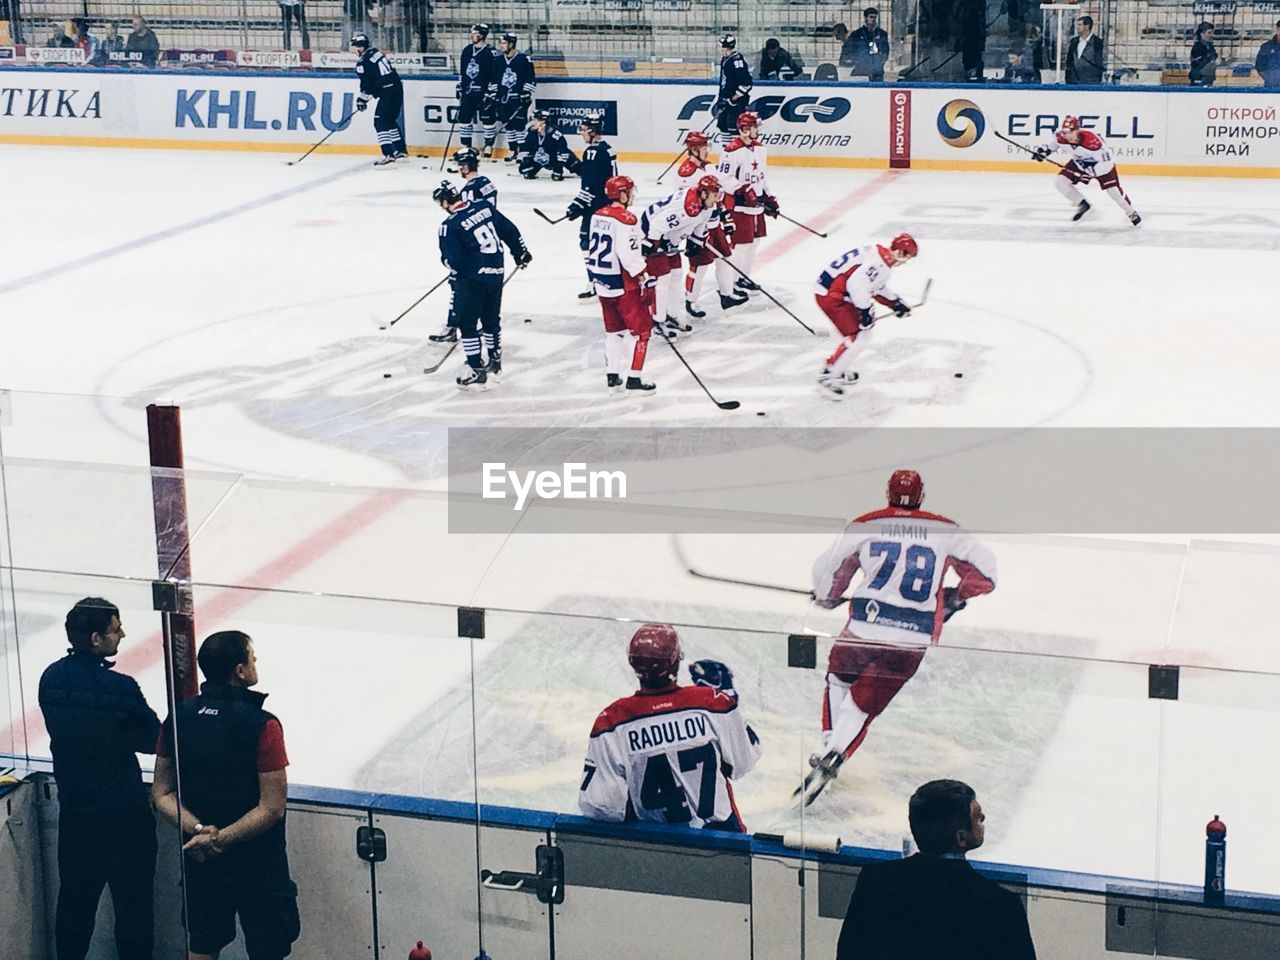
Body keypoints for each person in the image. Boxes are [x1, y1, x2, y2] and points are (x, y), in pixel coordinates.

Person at [804, 470, 998, 802]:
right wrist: (955, 596)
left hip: (865, 626)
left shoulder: (867, 523)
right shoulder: (946, 530)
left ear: (887, 494)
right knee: (865, 701)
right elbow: (987, 572)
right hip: (912, 638)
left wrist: (827, 595)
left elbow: (829, 566)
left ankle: (829, 746)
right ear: (922, 496)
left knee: (839, 679)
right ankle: (836, 750)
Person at [152, 631, 300, 960]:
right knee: (268, 947)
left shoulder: (178, 718)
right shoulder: (264, 726)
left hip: (201, 857)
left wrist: (200, 832)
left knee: (203, 943)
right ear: (240, 671)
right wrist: (221, 838)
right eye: (252, 657)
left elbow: (161, 792)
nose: (255, 661)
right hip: (258, 863)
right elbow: (272, 807)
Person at [38, 598, 160, 960]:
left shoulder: (51, 677)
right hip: (124, 817)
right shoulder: (119, 687)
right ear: (95, 639)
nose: (122, 633)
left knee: (75, 905)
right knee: (133, 909)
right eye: (115, 628)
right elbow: (152, 739)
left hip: (77, 816)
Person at [578, 624, 762, 829]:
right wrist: (730, 699)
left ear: (632, 664)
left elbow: (601, 806)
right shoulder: (713, 703)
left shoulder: (612, 721)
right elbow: (742, 763)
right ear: (676, 663)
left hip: (657, 847)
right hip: (721, 840)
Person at [837, 780, 1037, 960]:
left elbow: (848, 954)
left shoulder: (874, 881)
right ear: (961, 838)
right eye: (977, 817)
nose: (983, 818)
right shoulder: (1001, 906)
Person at [434, 180, 531, 388]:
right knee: (490, 320)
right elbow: (509, 230)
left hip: (472, 280)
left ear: (444, 202)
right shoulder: (484, 207)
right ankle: (495, 363)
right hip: (496, 273)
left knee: (467, 324)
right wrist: (520, 252)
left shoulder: (448, 226)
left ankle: (476, 368)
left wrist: (452, 269)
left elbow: (454, 261)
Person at [812, 234, 917, 399]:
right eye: (903, 254)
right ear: (896, 249)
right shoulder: (879, 263)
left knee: (860, 334)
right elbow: (856, 284)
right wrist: (864, 310)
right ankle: (828, 376)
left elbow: (873, 287)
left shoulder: (878, 255)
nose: (903, 260)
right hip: (832, 296)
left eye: (907, 257)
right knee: (859, 336)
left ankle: (840, 367)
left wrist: (895, 302)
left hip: (832, 292)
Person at [584, 175, 657, 393]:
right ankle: (634, 379)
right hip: (624, 283)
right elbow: (629, 256)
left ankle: (613, 377)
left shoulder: (597, 215)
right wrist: (644, 276)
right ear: (622, 194)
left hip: (602, 281)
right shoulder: (627, 219)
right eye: (630, 191)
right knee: (642, 333)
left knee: (614, 332)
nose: (633, 195)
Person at [641, 174, 721, 335]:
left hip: (669, 237)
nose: (716, 199)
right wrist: (652, 243)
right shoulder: (686, 208)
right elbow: (657, 224)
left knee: (676, 275)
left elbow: (700, 226)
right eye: (714, 195)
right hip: (652, 233)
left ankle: (671, 316)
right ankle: (657, 321)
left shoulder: (707, 206)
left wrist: (695, 243)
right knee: (662, 279)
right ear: (704, 194)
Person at [715, 111, 778, 309]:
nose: (757, 130)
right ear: (743, 129)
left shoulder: (760, 149)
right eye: (754, 127)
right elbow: (723, 178)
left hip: (756, 204)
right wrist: (742, 189)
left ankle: (742, 277)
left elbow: (761, 176)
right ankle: (731, 282)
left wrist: (768, 196)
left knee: (754, 242)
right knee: (741, 245)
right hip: (739, 205)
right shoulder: (731, 150)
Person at [1032, 115, 1141, 225]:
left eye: (1070, 132)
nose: (1067, 135)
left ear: (1077, 130)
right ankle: (1083, 204)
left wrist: (1090, 174)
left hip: (1102, 166)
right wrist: (1045, 152)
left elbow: (1106, 164)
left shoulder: (1093, 142)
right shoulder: (1060, 136)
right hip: (1079, 162)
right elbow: (1054, 144)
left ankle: (1131, 212)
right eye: (1065, 132)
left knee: (1114, 192)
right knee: (1060, 182)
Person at [676, 130, 735, 321]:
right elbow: (686, 204)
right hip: (698, 227)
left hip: (714, 222)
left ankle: (727, 295)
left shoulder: (709, 168)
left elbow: (717, 195)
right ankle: (690, 300)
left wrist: (725, 216)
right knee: (699, 266)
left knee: (725, 258)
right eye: (703, 147)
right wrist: (693, 232)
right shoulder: (685, 173)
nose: (707, 150)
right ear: (693, 149)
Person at [565, 116, 619, 300]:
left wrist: (577, 205)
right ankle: (606, 282)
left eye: (583, 129)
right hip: (609, 203)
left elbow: (590, 185)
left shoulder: (592, 152)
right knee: (603, 244)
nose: (581, 133)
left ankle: (594, 283)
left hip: (595, 206)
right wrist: (572, 163)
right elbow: (594, 174)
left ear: (592, 131)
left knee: (587, 243)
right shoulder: (607, 149)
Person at [352, 33, 406, 167]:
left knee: (379, 121)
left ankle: (388, 154)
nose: (354, 50)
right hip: (397, 88)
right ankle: (400, 150)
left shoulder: (362, 62)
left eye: (355, 47)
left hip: (387, 91)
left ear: (360, 47)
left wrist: (362, 100)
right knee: (389, 120)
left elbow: (366, 83)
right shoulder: (376, 52)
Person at [457, 23, 501, 154]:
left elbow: (495, 74)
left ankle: (488, 145)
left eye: (475, 33)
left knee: (488, 119)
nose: (472, 35)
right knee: (464, 118)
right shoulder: (466, 50)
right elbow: (463, 71)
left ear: (481, 35)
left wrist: (491, 92)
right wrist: (460, 86)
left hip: (484, 93)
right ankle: (466, 146)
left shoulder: (491, 52)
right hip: (468, 91)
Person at [495, 32, 535, 161]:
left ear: (511, 44)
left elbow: (531, 79)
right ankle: (513, 150)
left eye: (504, 43)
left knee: (519, 126)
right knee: (508, 126)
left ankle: (522, 152)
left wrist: (525, 93)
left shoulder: (524, 59)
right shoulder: (499, 60)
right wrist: (492, 94)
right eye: (500, 43)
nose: (501, 46)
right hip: (503, 99)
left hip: (518, 99)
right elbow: (494, 79)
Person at [515, 109, 575, 180]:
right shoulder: (531, 132)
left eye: (535, 120)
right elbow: (525, 148)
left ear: (543, 122)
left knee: (579, 169)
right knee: (524, 170)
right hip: (539, 159)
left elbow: (563, 151)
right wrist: (525, 161)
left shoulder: (555, 134)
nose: (532, 122)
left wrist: (558, 168)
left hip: (554, 159)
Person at [715, 34, 752, 136]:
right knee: (723, 127)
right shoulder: (725, 59)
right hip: (725, 99)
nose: (721, 49)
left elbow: (747, 84)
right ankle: (726, 150)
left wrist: (733, 99)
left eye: (723, 47)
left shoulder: (737, 61)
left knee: (734, 128)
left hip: (737, 103)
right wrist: (723, 98)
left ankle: (735, 151)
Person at [843, 7, 890, 81]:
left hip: (877, 71)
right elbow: (850, 50)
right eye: (871, 17)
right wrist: (857, 62)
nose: (873, 20)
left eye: (875, 17)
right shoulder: (857, 34)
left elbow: (885, 51)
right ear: (865, 18)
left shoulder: (882, 34)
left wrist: (880, 63)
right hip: (861, 70)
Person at [1065, 16, 1104, 85]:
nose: (1077, 27)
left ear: (1087, 26)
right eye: (1077, 25)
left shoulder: (1097, 43)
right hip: (1074, 82)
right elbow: (1069, 61)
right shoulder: (1074, 42)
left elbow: (1099, 62)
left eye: (1080, 25)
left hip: (1091, 82)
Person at [1190, 22, 1218, 87]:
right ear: (1202, 34)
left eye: (1212, 33)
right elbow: (1197, 64)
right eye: (1209, 33)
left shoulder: (1210, 46)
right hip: (1199, 79)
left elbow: (1214, 56)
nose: (1212, 35)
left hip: (1208, 79)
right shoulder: (1197, 47)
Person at [1257, 20, 1280, 87]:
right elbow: (1260, 66)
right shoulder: (1266, 47)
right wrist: (1271, 79)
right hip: (1271, 88)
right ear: (1277, 30)